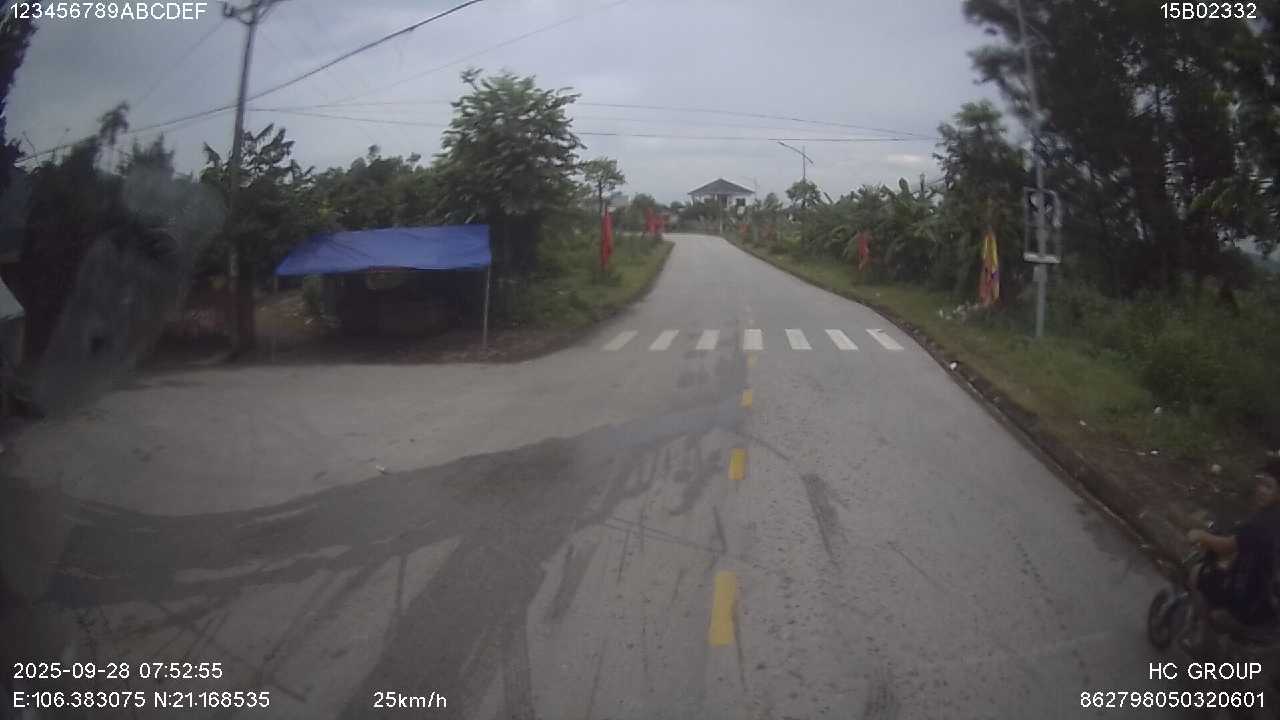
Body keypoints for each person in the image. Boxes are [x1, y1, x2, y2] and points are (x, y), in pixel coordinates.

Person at [1187, 460, 1280, 628]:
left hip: (1249, 601)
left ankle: (1204, 632)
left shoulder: (1262, 523)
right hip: (1268, 600)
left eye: (1269, 487)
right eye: (1261, 483)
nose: (1261, 490)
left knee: (1197, 573)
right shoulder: (1272, 516)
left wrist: (1201, 536)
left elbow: (1225, 547)